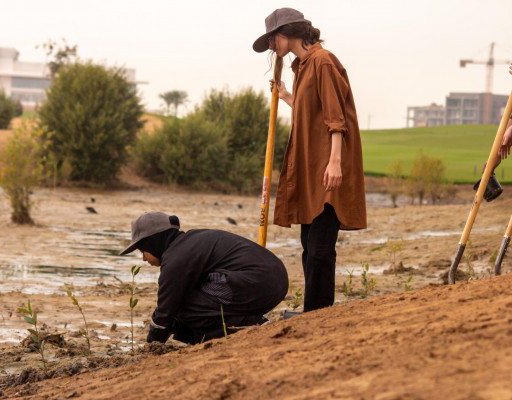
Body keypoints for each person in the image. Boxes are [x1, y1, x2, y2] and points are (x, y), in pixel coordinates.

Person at [253, 8, 367, 312]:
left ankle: (317, 313)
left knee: (319, 249)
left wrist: (334, 162)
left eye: (272, 38)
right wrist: (287, 96)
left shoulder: (322, 62)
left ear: (288, 32)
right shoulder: (302, 65)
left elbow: (335, 119)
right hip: (310, 168)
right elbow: (309, 112)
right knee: (309, 245)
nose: (270, 46)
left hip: (327, 168)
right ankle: (313, 311)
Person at [120, 211, 289, 345]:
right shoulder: (189, 242)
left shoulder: (175, 259)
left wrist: (152, 345)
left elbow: (165, 311)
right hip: (273, 283)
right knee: (189, 306)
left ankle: (251, 325)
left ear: (153, 242)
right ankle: (220, 334)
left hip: (257, 283)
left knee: (182, 306)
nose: (143, 258)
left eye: (143, 251)